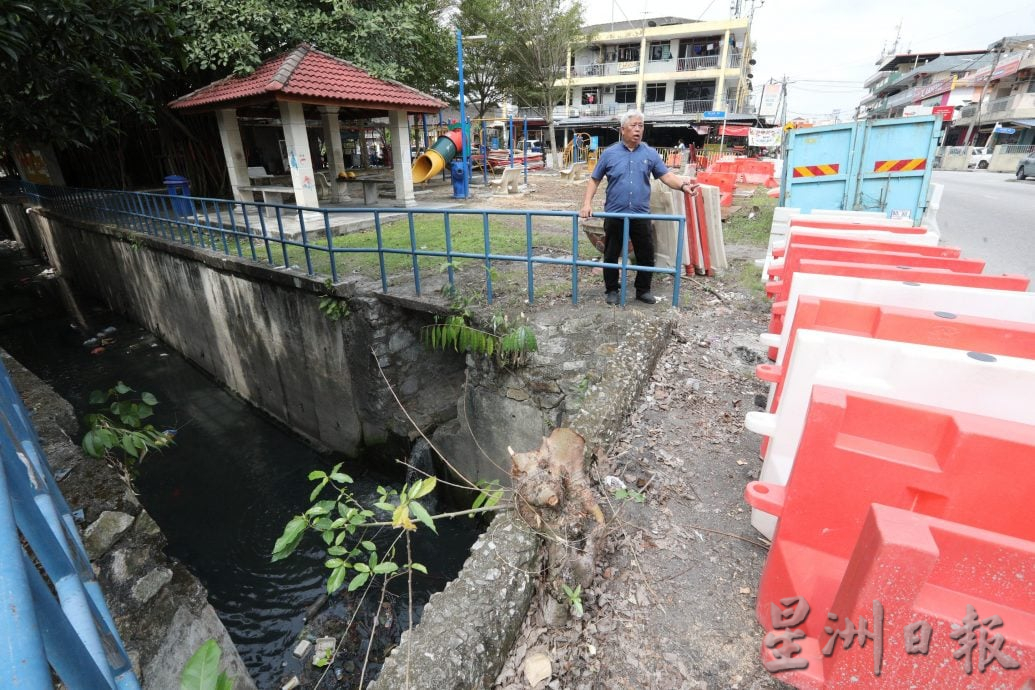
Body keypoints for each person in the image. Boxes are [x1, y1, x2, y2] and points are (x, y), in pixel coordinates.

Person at [579, 110, 694, 305]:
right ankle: (612, 291)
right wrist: (587, 204)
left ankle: (643, 290)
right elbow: (594, 179)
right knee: (611, 254)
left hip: (640, 214)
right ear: (622, 129)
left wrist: (683, 186)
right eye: (633, 126)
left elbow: (666, 177)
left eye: (641, 126)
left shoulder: (649, 153)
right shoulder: (609, 154)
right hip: (615, 213)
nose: (638, 130)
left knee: (645, 253)